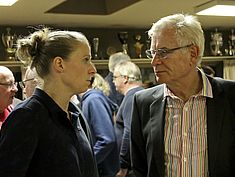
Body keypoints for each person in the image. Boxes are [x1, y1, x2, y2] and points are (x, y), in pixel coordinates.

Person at [131, 13, 235, 177]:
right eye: (153, 53)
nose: (154, 61)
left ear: (193, 53)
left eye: (163, 52)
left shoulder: (231, 96)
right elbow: (138, 168)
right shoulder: (143, 102)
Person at [0, 28, 99, 177]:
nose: (93, 69)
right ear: (59, 64)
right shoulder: (27, 116)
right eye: (86, 60)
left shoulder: (76, 115)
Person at [81, 73, 119, 177]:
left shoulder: (93, 100)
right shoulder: (92, 99)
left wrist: (88, 162)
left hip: (103, 170)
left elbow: (107, 139)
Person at [113, 61, 144, 177]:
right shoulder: (140, 94)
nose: (113, 81)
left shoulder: (132, 98)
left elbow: (129, 132)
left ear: (125, 78)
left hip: (131, 169)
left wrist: (123, 165)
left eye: (115, 77)